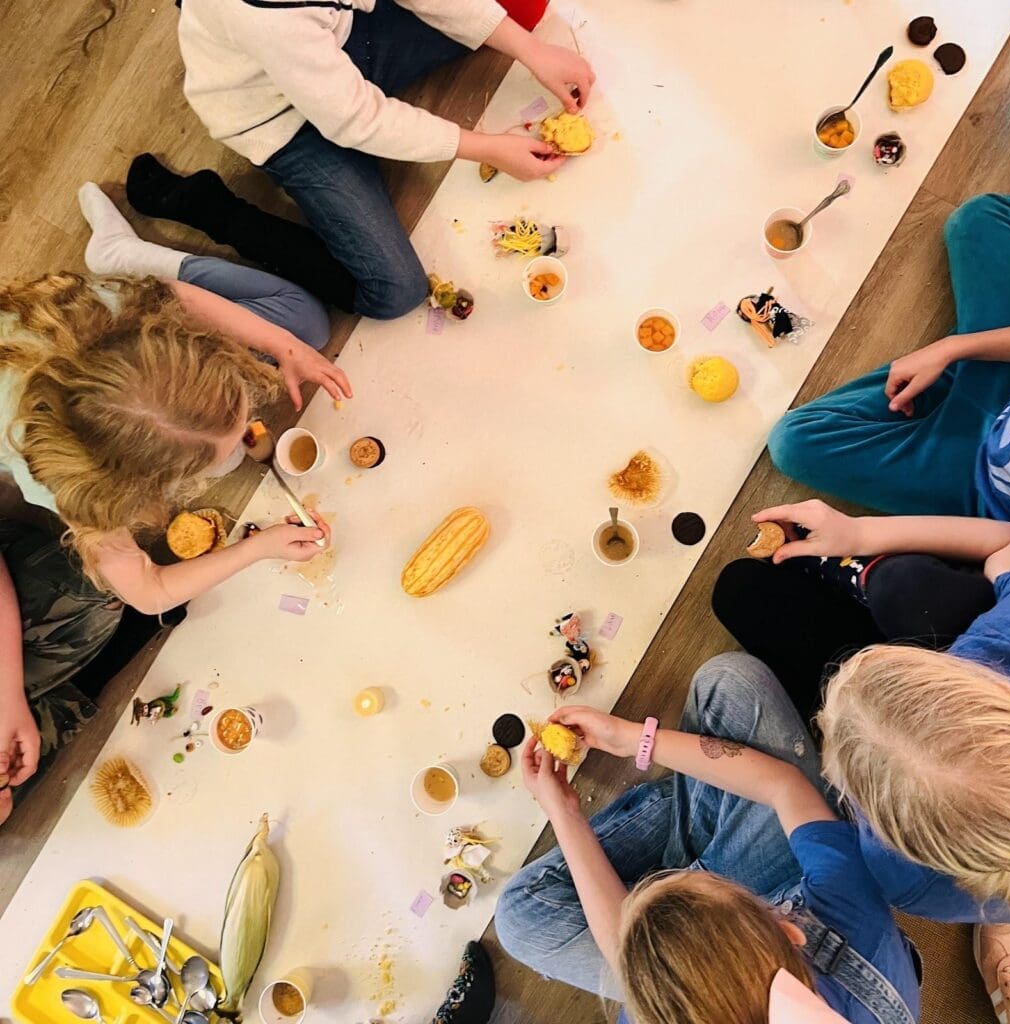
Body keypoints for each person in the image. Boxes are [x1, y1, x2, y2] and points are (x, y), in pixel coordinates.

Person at [0, 187, 348, 821]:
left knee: (305, 324)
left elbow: (180, 302)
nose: (251, 431)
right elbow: (151, 593)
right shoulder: (78, 496)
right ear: (136, 491)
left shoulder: (119, 320)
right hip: (29, 402)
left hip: (72, 331)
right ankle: (123, 251)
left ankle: (120, 254)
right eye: (225, 444)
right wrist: (259, 545)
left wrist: (286, 348)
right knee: (300, 320)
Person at [717, 499, 1010, 1017]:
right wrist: (860, 532)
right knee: (901, 592)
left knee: (741, 592)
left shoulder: (905, 877)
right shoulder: (912, 874)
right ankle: (869, 573)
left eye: (829, 740)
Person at [495, 653, 921, 1024]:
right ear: (790, 931)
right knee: (731, 683)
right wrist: (633, 740)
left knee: (520, 917)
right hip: (829, 922)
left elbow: (622, 950)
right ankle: (702, 794)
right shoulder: (855, 920)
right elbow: (784, 788)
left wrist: (564, 811)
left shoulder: (652, 1003)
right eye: (705, 882)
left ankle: (700, 797)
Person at [171, 0, 595, 320]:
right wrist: (487, 148)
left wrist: (531, 50)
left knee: (518, 9)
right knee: (395, 292)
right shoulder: (263, 18)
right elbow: (357, 121)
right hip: (281, 123)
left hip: (340, 47)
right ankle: (215, 210)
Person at [768, 193, 1010, 520]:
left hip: (978, 477)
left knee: (794, 443)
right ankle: (967, 350)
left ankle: (967, 349)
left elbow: (1003, 544)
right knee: (979, 217)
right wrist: (953, 349)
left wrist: (860, 536)